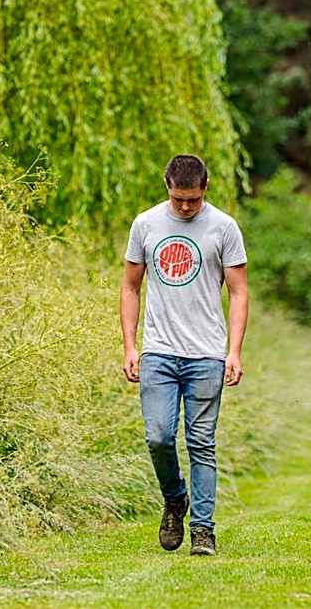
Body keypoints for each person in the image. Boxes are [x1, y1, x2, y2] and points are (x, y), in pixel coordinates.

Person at [120, 154, 248, 556]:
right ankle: (175, 498)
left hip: (207, 353)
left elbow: (239, 292)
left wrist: (234, 351)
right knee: (158, 436)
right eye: (179, 200)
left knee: (201, 442)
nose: (186, 207)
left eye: (193, 199)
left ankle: (203, 529)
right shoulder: (146, 224)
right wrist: (129, 344)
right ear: (167, 188)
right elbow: (130, 287)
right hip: (158, 350)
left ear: (205, 189)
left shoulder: (224, 228)